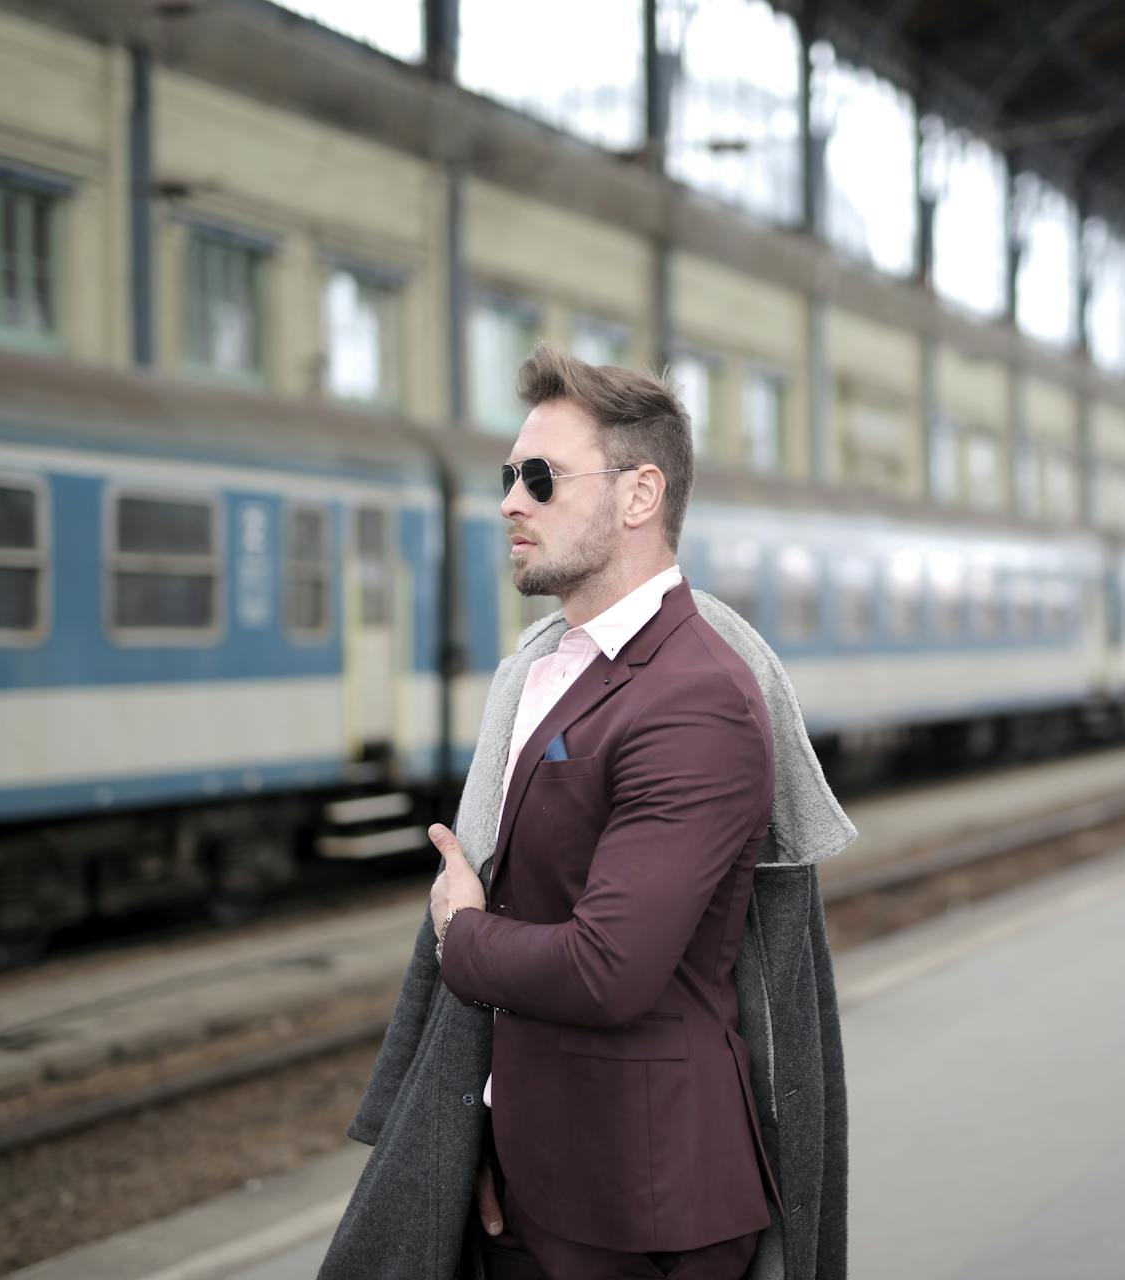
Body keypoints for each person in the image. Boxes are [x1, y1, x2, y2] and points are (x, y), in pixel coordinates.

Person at [321, 346, 852, 1280]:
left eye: (541, 478)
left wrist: (463, 931)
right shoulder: (540, 669)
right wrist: (480, 1130)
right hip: (527, 1173)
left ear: (639, 495)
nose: (509, 503)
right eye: (507, 477)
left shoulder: (698, 696)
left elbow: (609, 969)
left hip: (644, 1204)